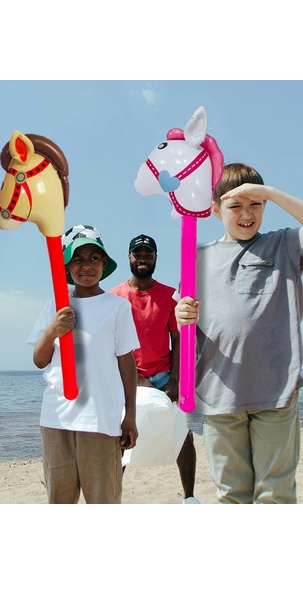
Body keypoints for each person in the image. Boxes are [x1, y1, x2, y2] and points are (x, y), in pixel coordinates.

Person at [175, 163, 303, 504]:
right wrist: (180, 314)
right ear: (216, 210)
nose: (247, 214)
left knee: (275, 492)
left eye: (255, 204)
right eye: (235, 206)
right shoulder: (196, 257)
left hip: (276, 391)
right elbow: (185, 318)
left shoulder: (285, 244)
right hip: (219, 395)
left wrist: (271, 192)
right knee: (232, 494)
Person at [27, 224, 139, 504]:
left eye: (93, 258)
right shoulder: (56, 306)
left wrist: (130, 415)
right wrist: (52, 330)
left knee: (103, 499)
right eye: (77, 259)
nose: (86, 266)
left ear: (104, 264)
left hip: (100, 419)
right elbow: (40, 360)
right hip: (56, 418)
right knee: (59, 498)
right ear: (66, 267)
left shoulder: (117, 308)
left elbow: (127, 364)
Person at [110, 234, 199, 504]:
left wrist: (176, 380)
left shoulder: (170, 295)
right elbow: (112, 345)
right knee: (120, 440)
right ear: (129, 257)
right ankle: (111, 499)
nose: (143, 259)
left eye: (148, 255)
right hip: (126, 378)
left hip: (164, 378)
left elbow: (178, 339)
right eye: (138, 254)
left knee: (184, 436)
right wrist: (135, 378)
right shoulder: (114, 296)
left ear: (156, 258)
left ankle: (190, 498)